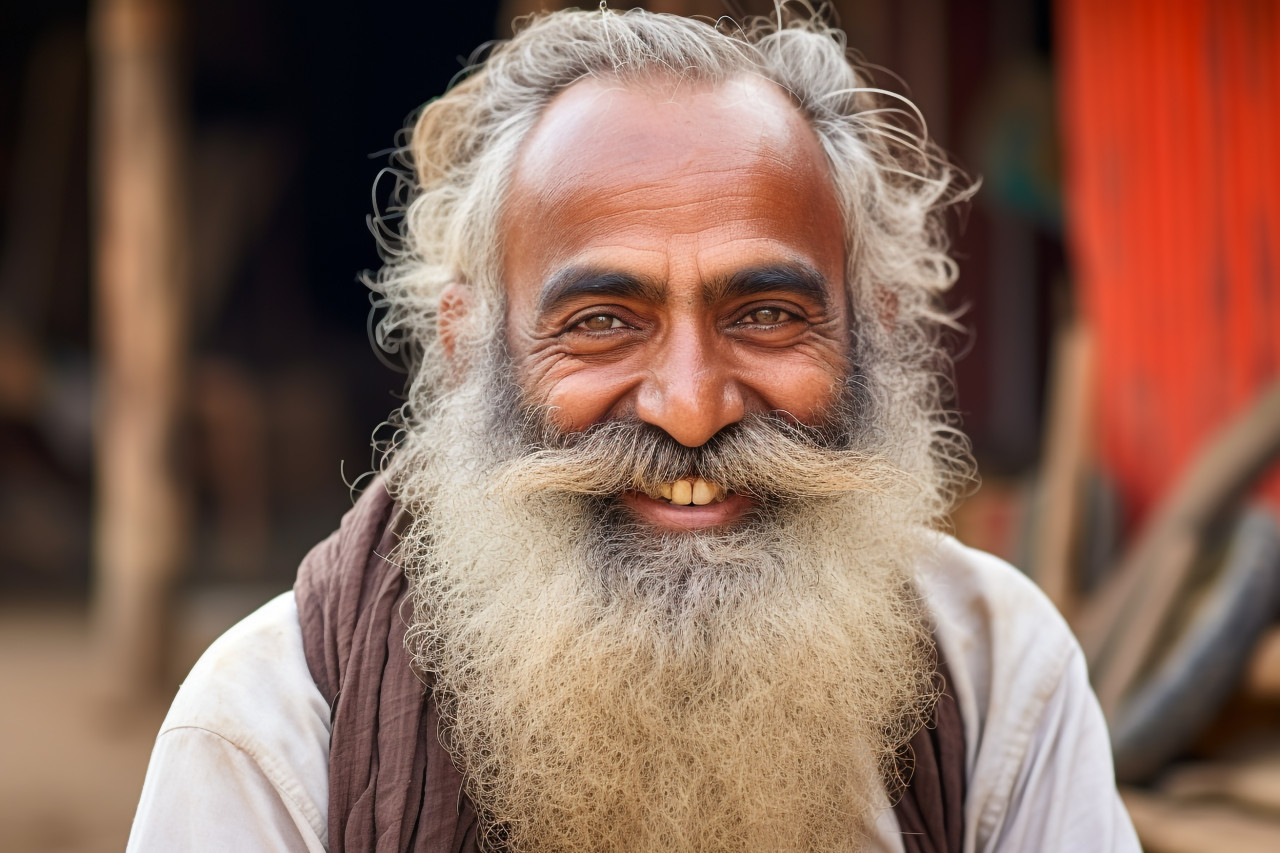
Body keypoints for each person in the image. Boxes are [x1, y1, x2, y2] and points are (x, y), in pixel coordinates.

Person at [128, 7, 1139, 852]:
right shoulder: (269, 737)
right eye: (602, 323)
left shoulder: (995, 675)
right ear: (469, 347)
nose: (691, 405)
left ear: (869, 328)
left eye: (766, 314)